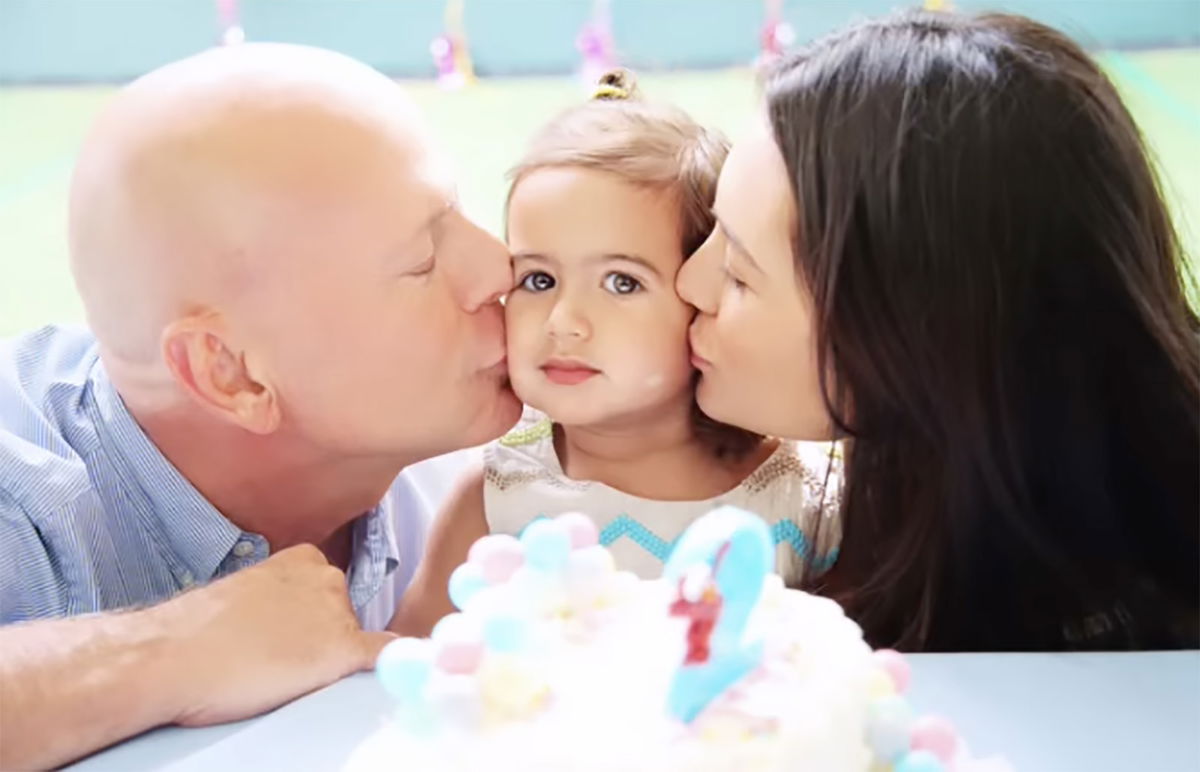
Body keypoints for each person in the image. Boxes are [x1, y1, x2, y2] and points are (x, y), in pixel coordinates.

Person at [0, 42, 519, 769]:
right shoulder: (22, 499)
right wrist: (176, 652)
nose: (501, 267)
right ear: (232, 374)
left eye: (458, 212)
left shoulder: (496, 466)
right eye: (422, 261)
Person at [676, 10, 1200, 651]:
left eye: (736, 272)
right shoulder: (928, 492)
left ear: (903, 336)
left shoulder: (1110, 634)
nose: (688, 286)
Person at [391, 71, 840, 637]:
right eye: (537, 280)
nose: (563, 322)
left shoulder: (799, 502)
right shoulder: (497, 499)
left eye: (621, 283)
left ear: (702, 292)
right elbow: (404, 669)